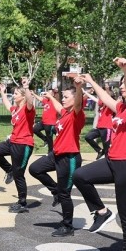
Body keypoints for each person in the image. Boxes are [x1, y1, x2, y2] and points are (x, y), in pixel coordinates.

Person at [73, 58, 126, 251]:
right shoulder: (123, 108)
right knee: (80, 176)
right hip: (112, 161)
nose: (121, 88)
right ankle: (101, 212)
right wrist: (90, 80)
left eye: (124, 84)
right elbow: (105, 98)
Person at [29, 77, 85, 236]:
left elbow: (79, 103)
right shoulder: (65, 113)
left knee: (65, 194)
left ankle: (68, 226)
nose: (64, 99)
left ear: (75, 100)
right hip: (57, 155)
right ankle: (55, 191)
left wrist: (79, 88)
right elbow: (59, 106)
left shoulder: (76, 114)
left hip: (69, 158)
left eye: (67, 97)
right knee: (35, 169)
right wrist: (51, 97)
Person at [0, 79, 36, 213]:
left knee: (19, 174)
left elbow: (31, 101)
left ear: (22, 96)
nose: (13, 95)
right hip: (13, 142)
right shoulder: (15, 109)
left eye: (16, 93)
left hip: (24, 144)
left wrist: (26, 87)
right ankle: (9, 170)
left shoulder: (28, 110)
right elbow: (6, 103)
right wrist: (2, 92)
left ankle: (22, 203)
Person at [84, 88, 114, 159]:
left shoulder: (109, 105)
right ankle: (100, 150)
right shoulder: (102, 105)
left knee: (107, 147)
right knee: (88, 137)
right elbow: (94, 98)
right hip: (99, 127)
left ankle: (109, 162)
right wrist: (86, 92)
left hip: (107, 128)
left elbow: (108, 97)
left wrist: (106, 89)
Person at [34, 88, 58, 153]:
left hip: (50, 123)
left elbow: (58, 96)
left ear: (52, 94)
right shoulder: (46, 100)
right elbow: (40, 99)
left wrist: (55, 92)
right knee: (35, 129)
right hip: (43, 122)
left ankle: (50, 152)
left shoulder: (54, 101)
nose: (47, 94)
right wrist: (33, 94)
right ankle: (45, 139)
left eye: (49, 93)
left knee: (50, 138)